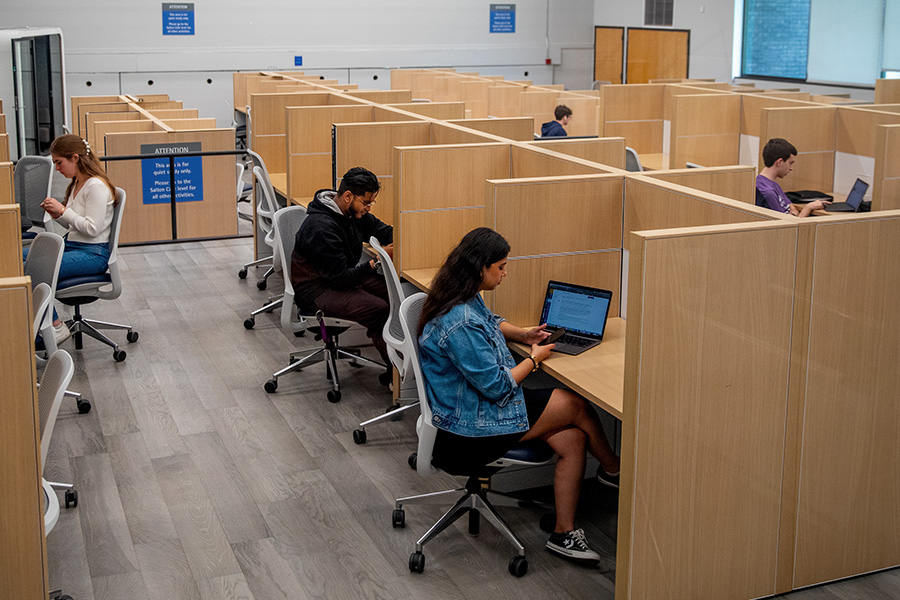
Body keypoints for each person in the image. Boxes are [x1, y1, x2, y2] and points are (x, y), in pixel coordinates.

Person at [417, 227, 620, 562]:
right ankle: (613, 471)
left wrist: (525, 334)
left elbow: (491, 321)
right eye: (501, 266)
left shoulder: (459, 296)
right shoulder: (460, 321)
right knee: (574, 403)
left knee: (572, 439)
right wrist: (534, 359)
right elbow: (497, 385)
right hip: (468, 432)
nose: (505, 273)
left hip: (473, 410)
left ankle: (563, 533)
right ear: (481, 268)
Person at [290, 166, 394, 371]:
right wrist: (377, 261)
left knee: (393, 295)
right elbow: (339, 279)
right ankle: (396, 372)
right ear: (348, 196)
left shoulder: (351, 214)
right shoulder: (321, 226)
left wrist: (397, 243)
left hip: (338, 277)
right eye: (366, 202)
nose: (369, 207)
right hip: (317, 289)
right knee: (380, 309)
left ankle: (404, 367)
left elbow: (383, 231)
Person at [24, 134, 119, 344]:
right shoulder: (78, 183)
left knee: (31, 270)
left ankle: (54, 327)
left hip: (93, 253)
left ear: (75, 158)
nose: (57, 169)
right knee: (17, 258)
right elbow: (76, 226)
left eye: (59, 163)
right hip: (74, 245)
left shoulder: (95, 186)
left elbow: (92, 229)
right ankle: (36, 324)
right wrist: (59, 215)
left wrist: (63, 211)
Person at [756, 138, 829, 217]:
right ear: (780, 162)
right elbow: (788, 226)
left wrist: (794, 213)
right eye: (790, 163)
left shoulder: (772, 184)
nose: (791, 168)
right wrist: (808, 208)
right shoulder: (767, 191)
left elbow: (792, 209)